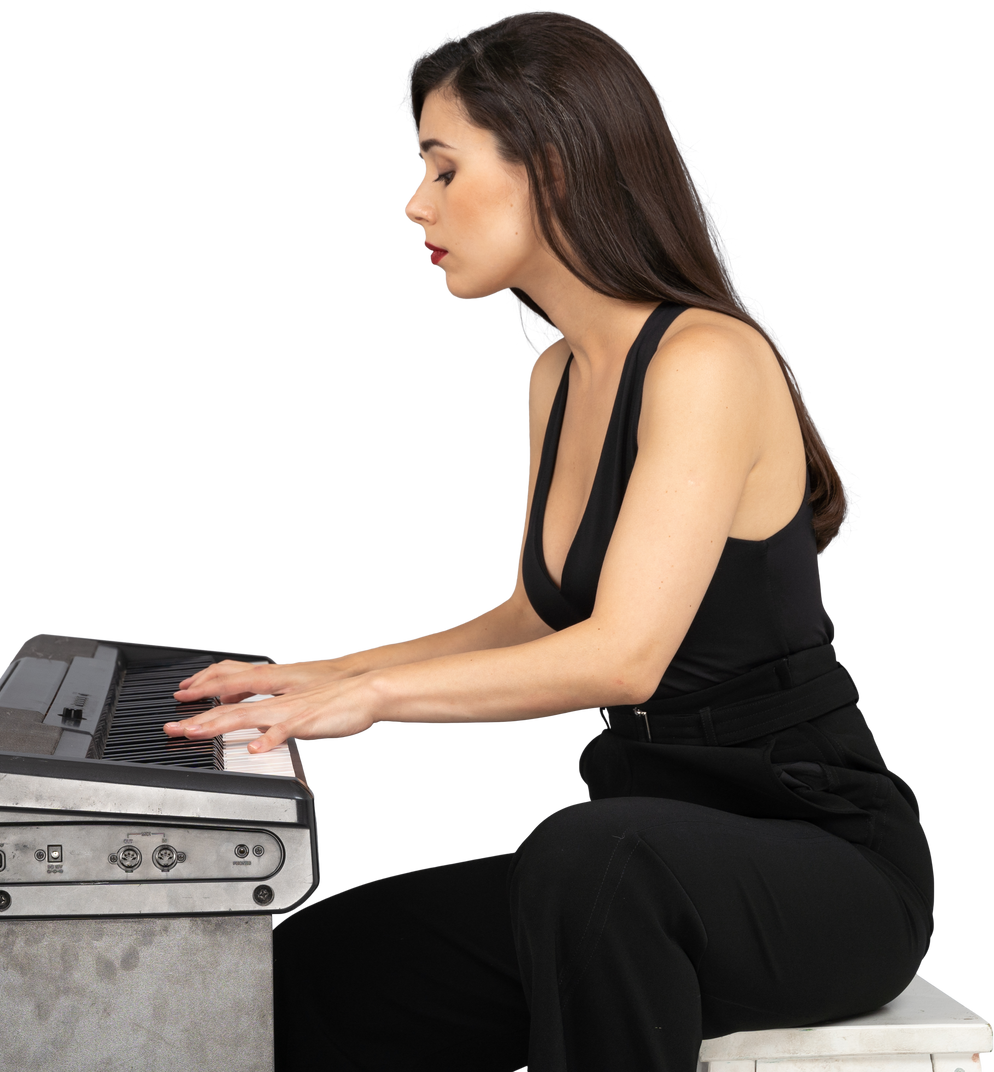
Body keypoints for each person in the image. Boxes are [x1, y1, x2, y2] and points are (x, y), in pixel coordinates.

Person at [162, 11, 935, 1071]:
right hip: (644, 852)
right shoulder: (558, 377)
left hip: (824, 863)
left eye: (442, 168)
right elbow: (532, 614)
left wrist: (377, 703)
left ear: (555, 167)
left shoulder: (709, 360)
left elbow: (623, 653)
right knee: (321, 966)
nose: (413, 204)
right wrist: (312, 675)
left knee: (585, 853)